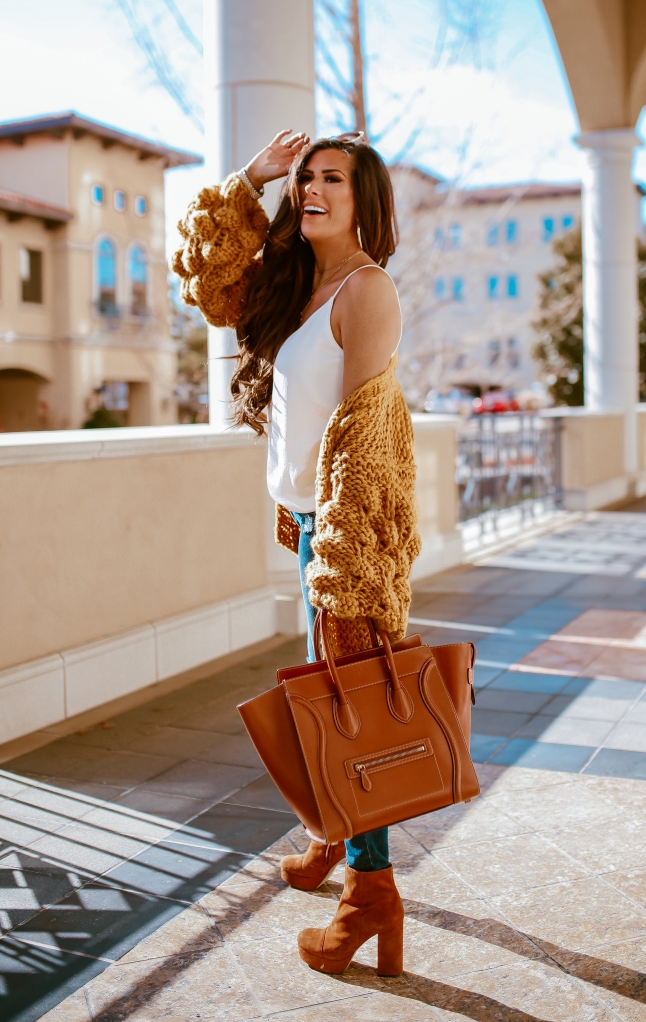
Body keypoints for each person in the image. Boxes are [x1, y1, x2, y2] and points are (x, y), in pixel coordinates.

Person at [171, 129, 421, 977]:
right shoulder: (294, 283)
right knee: (327, 693)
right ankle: (330, 833)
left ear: (366, 199)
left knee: (354, 707)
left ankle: (370, 891)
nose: (313, 188)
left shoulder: (366, 290)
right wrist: (251, 179)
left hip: (344, 534)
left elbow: (366, 439)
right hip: (307, 521)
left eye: (332, 179)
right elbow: (207, 282)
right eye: (306, 177)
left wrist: (343, 565)